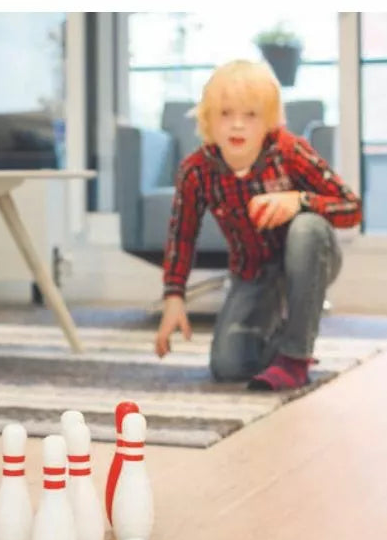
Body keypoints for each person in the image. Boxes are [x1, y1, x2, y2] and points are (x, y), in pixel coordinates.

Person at [153, 59, 362, 390]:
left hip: (311, 256)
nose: (237, 125)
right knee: (229, 366)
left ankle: (295, 357)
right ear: (208, 119)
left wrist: (299, 200)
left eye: (250, 115)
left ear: (267, 121)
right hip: (253, 273)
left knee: (306, 228)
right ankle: (286, 333)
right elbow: (182, 236)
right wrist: (174, 297)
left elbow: (351, 208)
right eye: (225, 114)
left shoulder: (289, 151)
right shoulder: (196, 171)